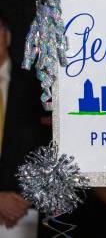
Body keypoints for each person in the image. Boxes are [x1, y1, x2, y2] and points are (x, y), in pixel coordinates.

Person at [0, 12, 50, 237]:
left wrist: (22, 200)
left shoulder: (35, 88)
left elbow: (49, 147)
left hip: (26, 213)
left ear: (7, 36)